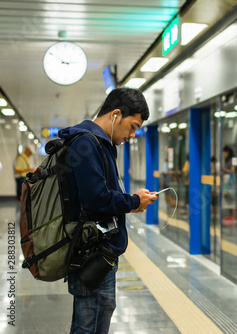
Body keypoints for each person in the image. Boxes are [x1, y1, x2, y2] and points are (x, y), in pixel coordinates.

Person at [58, 88, 158, 334]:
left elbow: (99, 198)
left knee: (96, 319)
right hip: (91, 253)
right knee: (89, 325)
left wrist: (130, 203)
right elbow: (96, 199)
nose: (132, 134)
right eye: (132, 126)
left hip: (100, 252)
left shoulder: (101, 143)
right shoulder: (86, 143)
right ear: (115, 115)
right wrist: (133, 201)